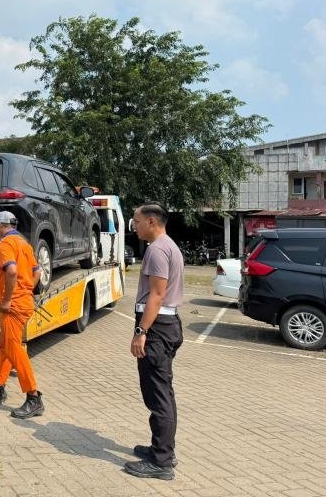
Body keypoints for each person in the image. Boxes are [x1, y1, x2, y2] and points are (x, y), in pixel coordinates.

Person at [124, 202, 184, 481]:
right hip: (165, 325)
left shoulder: (157, 250)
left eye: (136, 221)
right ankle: (161, 449)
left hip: (158, 328)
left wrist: (141, 331)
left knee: (159, 396)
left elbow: (157, 296)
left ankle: (162, 462)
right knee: (161, 393)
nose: (133, 227)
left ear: (151, 221)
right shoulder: (167, 246)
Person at [0, 210, 44, 419]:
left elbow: (11, 271)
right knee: (5, 345)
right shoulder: (24, 244)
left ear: (0, 225)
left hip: (12, 307)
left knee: (14, 349)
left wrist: (7, 299)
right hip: (23, 302)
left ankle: (33, 397)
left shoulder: (4, 244)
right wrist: (26, 289)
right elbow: (37, 272)